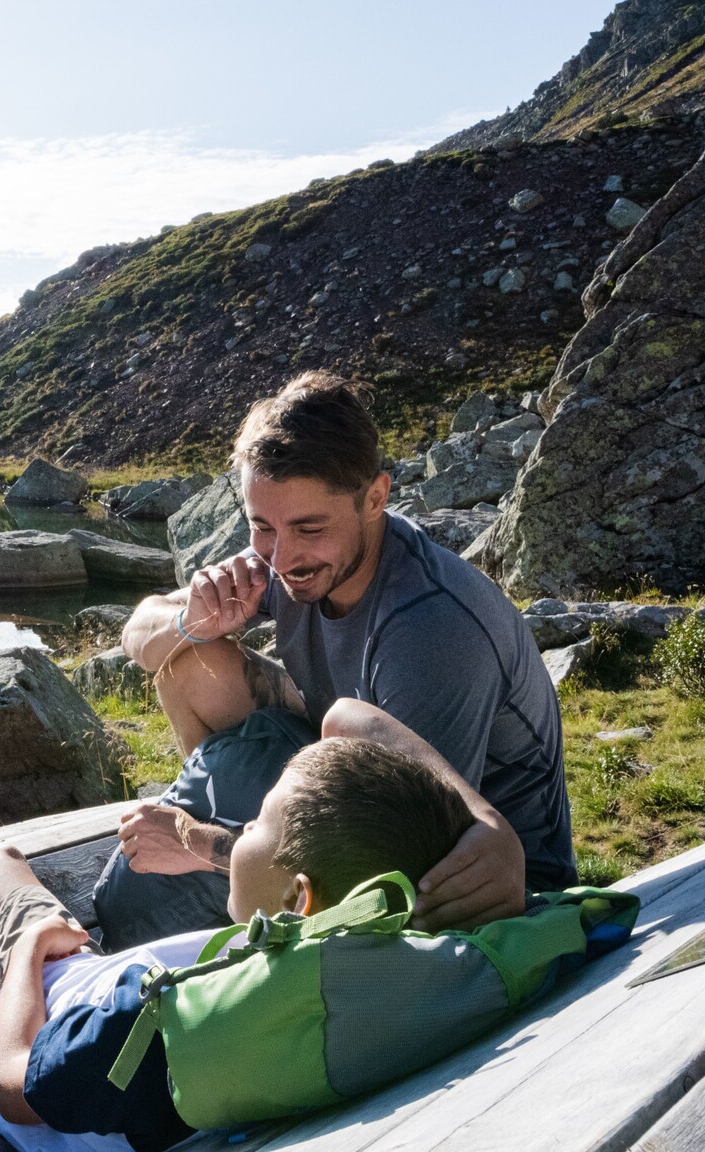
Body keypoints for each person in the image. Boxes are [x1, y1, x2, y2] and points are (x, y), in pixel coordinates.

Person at [0, 738, 476, 1152]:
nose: (233, 838)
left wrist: (27, 957)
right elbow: (352, 722)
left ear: (302, 898)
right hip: (74, 975)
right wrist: (487, 832)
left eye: (254, 827)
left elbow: (18, 1081)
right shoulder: (327, 965)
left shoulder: (193, 1040)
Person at [106, 370, 573, 946]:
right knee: (191, 661)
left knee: (161, 900)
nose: (283, 555)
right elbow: (139, 632)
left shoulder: (429, 631)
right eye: (261, 527)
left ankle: (239, 879)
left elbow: (398, 856)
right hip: (356, 781)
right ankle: (244, 852)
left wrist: (199, 842)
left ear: (375, 497)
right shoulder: (293, 558)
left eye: (308, 527)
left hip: (468, 886)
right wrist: (191, 619)